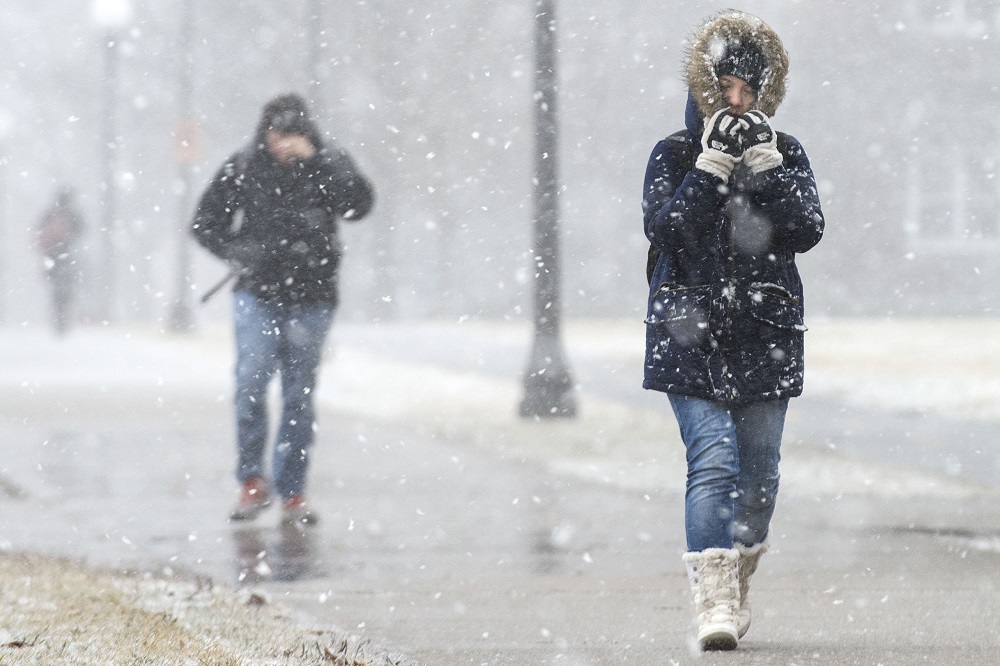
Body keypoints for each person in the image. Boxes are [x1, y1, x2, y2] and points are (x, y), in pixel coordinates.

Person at [642, 10, 824, 651]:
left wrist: (767, 169)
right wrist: (711, 166)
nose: (736, 102)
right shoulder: (671, 153)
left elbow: (807, 230)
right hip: (686, 333)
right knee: (712, 461)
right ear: (704, 85)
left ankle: (736, 575)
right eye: (725, 87)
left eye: (748, 89)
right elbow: (667, 231)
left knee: (760, 478)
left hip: (764, 332)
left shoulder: (786, 152)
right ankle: (713, 599)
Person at [191, 93, 375, 526]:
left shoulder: (327, 164)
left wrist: (321, 163)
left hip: (312, 298)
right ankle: (252, 480)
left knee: (299, 396)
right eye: (276, 133)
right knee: (251, 383)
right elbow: (205, 222)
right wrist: (239, 251)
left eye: (292, 133)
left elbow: (360, 205)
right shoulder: (244, 166)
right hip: (256, 295)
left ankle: (293, 491)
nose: (283, 143)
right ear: (265, 132)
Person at [34, 186, 85, 335]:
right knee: (66, 289)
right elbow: (82, 230)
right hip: (66, 255)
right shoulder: (72, 214)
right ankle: (63, 317)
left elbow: (39, 232)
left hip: (50, 256)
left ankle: (58, 317)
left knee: (56, 289)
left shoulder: (50, 213)